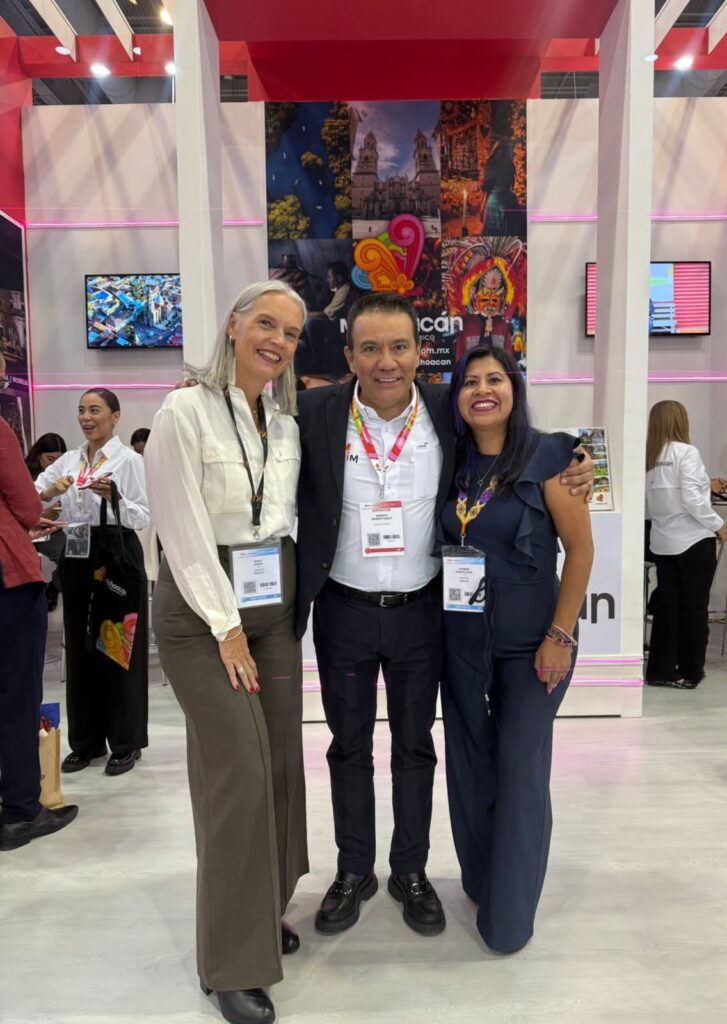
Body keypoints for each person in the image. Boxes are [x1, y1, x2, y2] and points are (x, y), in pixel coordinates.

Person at [295, 292, 593, 939]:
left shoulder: (444, 411)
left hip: (421, 611)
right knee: (347, 748)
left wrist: (575, 459)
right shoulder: (313, 411)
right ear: (349, 355)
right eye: (370, 348)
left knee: (415, 747)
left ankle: (409, 871)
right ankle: (353, 870)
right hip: (343, 610)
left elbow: (520, 443)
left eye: (398, 347)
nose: (385, 361)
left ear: (418, 354)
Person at [145, 281, 308, 1024]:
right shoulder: (183, 411)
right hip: (205, 615)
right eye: (266, 324)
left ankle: (260, 910)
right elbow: (179, 528)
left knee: (278, 765)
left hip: (273, 608)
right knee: (237, 771)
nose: (278, 340)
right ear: (235, 327)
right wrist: (225, 625)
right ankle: (232, 963)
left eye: (292, 332)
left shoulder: (284, 420)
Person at [436, 347, 593, 954]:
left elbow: (580, 550)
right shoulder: (451, 460)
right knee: (470, 765)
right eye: (469, 382)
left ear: (514, 388)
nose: (482, 390)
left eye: (495, 379)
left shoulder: (552, 455)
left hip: (534, 647)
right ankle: (483, 883)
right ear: (455, 397)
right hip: (462, 639)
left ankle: (509, 919)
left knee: (519, 767)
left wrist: (560, 636)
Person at [35, 389, 150, 774]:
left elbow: (142, 515)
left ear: (115, 416)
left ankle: (125, 742)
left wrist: (114, 498)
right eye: (82, 410)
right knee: (80, 648)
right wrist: (50, 493)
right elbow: (32, 496)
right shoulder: (68, 460)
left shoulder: (128, 460)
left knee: (117, 645)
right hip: (77, 551)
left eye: (95, 410)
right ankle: (86, 742)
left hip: (116, 553)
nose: (86, 417)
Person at [0, 416, 78, 851]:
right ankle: (20, 811)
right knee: (16, 696)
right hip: (7, 578)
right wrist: (28, 518)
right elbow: (26, 504)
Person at [645, 400, 726, 689]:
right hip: (693, 540)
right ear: (681, 420)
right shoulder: (686, 452)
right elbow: (691, 498)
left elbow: (651, 503)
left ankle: (660, 669)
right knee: (694, 608)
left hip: (663, 542)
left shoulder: (648, 457)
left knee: (667, 608)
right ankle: (692, 670)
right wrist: (717, 524)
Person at [25, 433, 68, 610]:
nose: (54, 465)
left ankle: (54, 587)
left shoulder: (64, 475)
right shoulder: (22, 473)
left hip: (51, 530)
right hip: (24, 530)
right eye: (50, 459)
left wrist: (58, 512)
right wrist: (43, 513)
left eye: (59, 460)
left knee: (73, 557)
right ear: (38, 455)